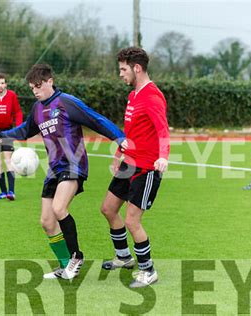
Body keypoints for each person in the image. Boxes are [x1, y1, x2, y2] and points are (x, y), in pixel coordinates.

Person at [0, 64, 125, 279]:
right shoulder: (37, 109)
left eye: (38, 86)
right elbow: (26, 130)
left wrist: (119, 137)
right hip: (54, 169)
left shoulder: (66, 102)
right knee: (46, 221)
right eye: (31, 88)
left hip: (73, 165)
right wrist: (4, 134)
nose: (35, 91)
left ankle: (76, 257)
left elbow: (96, 119)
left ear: (50, 81)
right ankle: (66, 266)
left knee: (58, 207)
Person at [100, 47, 170, 288]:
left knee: (132, 221)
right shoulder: (133, 96)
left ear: (136, 68)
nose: (120, 74)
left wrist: (163, 157)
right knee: (108, 209)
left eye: (123, 69)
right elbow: (130, 132)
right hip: (128, 165)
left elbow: (163, 130)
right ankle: (123, 257)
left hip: (146, 169)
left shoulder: (152, 96)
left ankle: (148, 271)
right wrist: (119, 154)